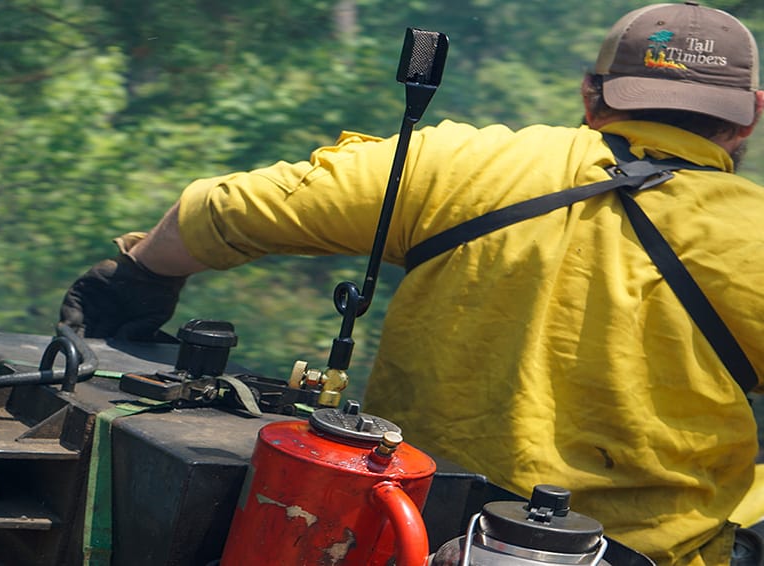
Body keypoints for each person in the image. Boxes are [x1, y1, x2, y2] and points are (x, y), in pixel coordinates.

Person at [60, 3, 764, 564]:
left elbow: (221, 212)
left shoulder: (461, 165)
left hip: (412, 537)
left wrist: (137, 277)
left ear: (592, 93)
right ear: (749, 116)